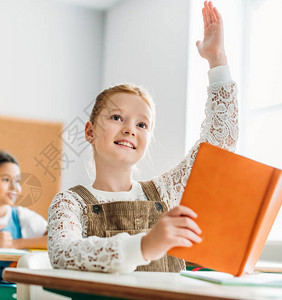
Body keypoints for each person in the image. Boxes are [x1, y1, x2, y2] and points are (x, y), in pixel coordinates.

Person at [47, 1, 238, 273]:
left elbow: (220, 144)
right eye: (116, 118)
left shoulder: (165, 191)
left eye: (142, 125)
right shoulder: (70, 202)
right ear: (90, 131)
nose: (130, 130)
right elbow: (64, 254)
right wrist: (146, 245)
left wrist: (217, 59)